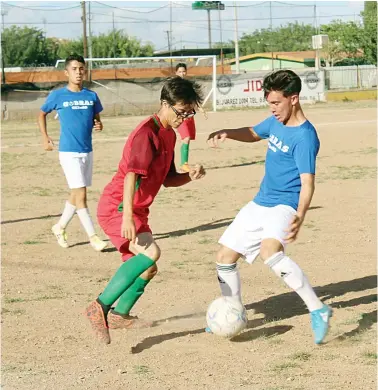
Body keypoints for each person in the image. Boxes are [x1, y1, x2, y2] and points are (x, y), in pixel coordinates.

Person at [207, 69, 332, 345]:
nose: (272, 108)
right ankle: (232, 310)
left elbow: (308, 182)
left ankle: (318, 309)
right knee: (224, 257)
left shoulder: (305, 137)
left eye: (276, 103)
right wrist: (228, 132)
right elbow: (253, 133)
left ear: (294, 99)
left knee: (269, 251)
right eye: (270, 103)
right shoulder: (276, 122)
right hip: (260, 201)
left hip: (284, 204)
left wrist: (300, 215)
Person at [85, 76, 206, 344]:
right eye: (180, 111)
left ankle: (119, 315)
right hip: (118, 207)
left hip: (135, 210)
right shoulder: (146, 134)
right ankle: (99, 307)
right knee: (151, 253)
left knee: (147, 269)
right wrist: (127, 216)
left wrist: (191, 175)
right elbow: (131, 176)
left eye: (189, 112)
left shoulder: (168, 135)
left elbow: (168, 178)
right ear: (165, 103)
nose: (184, 117)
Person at [38, 54, 107, 252]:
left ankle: (59, 227)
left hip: (87, 150)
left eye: (81, 69)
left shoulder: (91, 96)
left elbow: (96, 117)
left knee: (76, 193)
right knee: (81, 194)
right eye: (74, 69)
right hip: (68, 152)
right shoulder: (58, 96)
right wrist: (45, 137)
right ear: (66, 72)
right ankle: (93, 237)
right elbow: (41, 113)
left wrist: (99, 123)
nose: (78, 72)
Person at [175, 63, 197, 173]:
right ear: (176, 73)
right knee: (186, 138)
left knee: (186, 139)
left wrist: (199, 108)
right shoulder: (173, 86)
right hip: (180, 116)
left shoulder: (188, 85)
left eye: (184, 71)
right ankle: (184, 164)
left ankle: (183, 163)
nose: (182, 73)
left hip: (189, 115)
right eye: (180, 71)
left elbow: (193, 98)